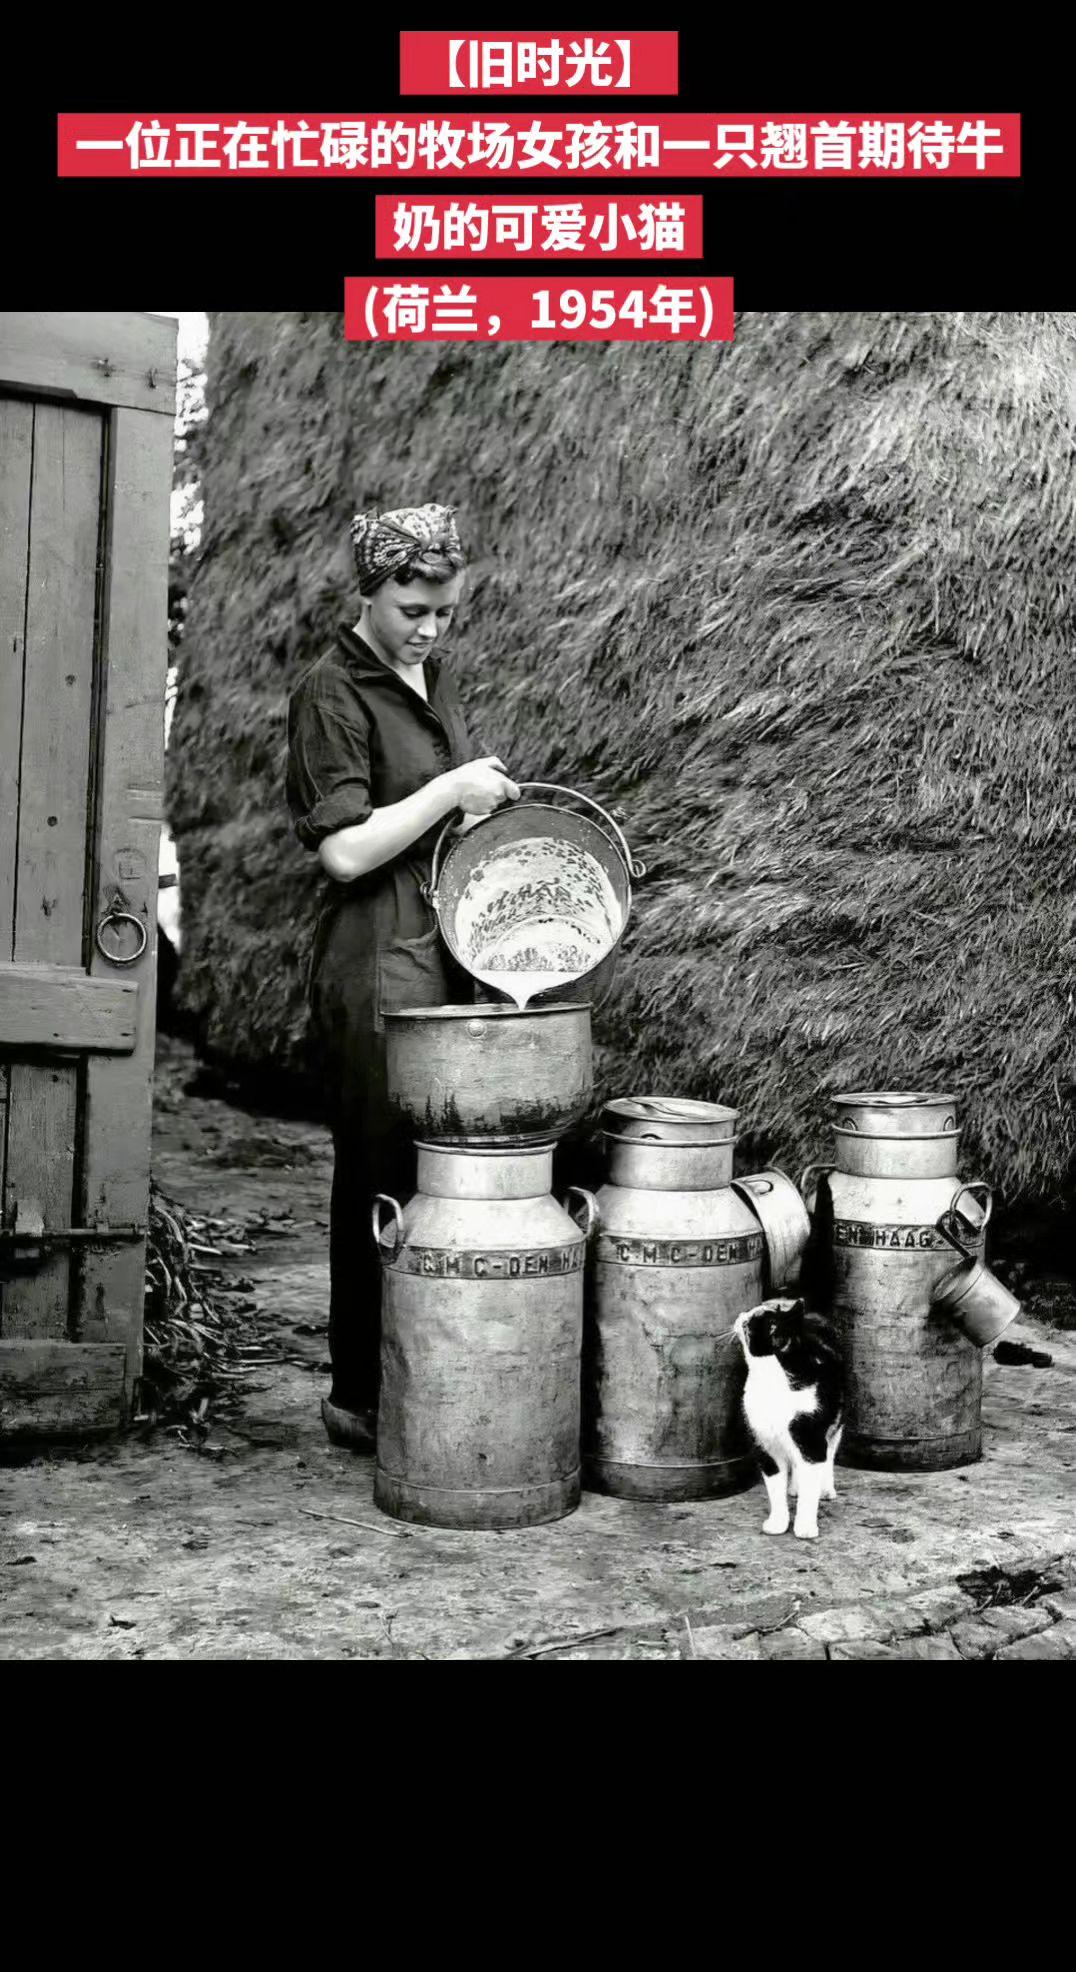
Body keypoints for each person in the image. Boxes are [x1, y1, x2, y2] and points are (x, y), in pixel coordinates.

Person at [286, 503, 520, 1448]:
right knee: (379, 1169)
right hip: (373, 955)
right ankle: (361, 1394)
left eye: (446, 610)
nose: (428, 627)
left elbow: (427, 816)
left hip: (435, 944)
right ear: (368, 592)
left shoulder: (428, 675)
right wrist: (446, 792)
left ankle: (431, 1370)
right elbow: (343, 853)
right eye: (410, 607)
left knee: (436, 1171)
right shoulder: (330, 691)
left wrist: (474, 814)